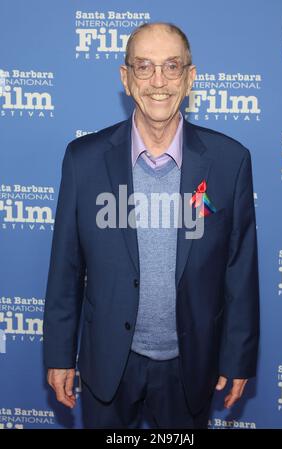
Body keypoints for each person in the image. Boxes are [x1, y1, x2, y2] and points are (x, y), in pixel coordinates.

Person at [43, 22, 260, 429]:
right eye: (143, 67)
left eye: (172, 67)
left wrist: (239, 356)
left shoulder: (230, 162)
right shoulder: (83, 160)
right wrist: (58, 354)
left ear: (190, 78)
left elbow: (240, 271)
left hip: (191, 368)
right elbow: (65, 268)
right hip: (107, 363)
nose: (158, 82)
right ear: (125, 79)